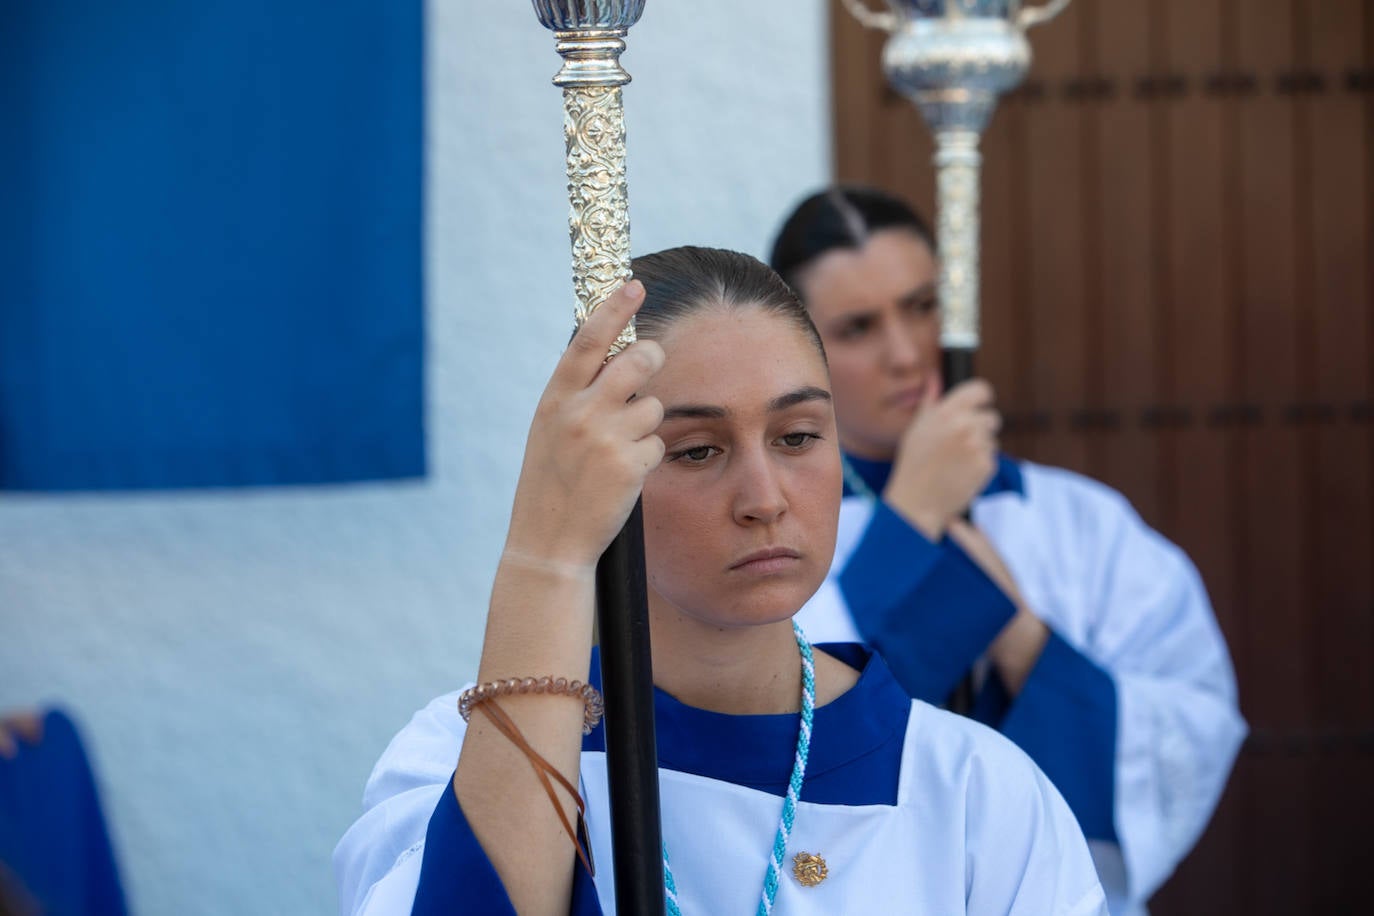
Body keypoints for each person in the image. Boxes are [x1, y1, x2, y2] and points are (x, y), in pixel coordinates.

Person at [334, 247, 1108, 915]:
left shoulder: (974, 789)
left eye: (798, 437)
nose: (765, 499)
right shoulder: (455, 760)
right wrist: (548, 555)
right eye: (698, 451)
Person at [768, 187, 1248, 915]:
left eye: (923, 307)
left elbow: (1194, 729)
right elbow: (787, 725)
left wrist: (1021, 637)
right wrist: (910, 519)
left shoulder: (1078, 519)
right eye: (859, 327)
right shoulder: (774, 528)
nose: (906, 353)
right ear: (802, 347)